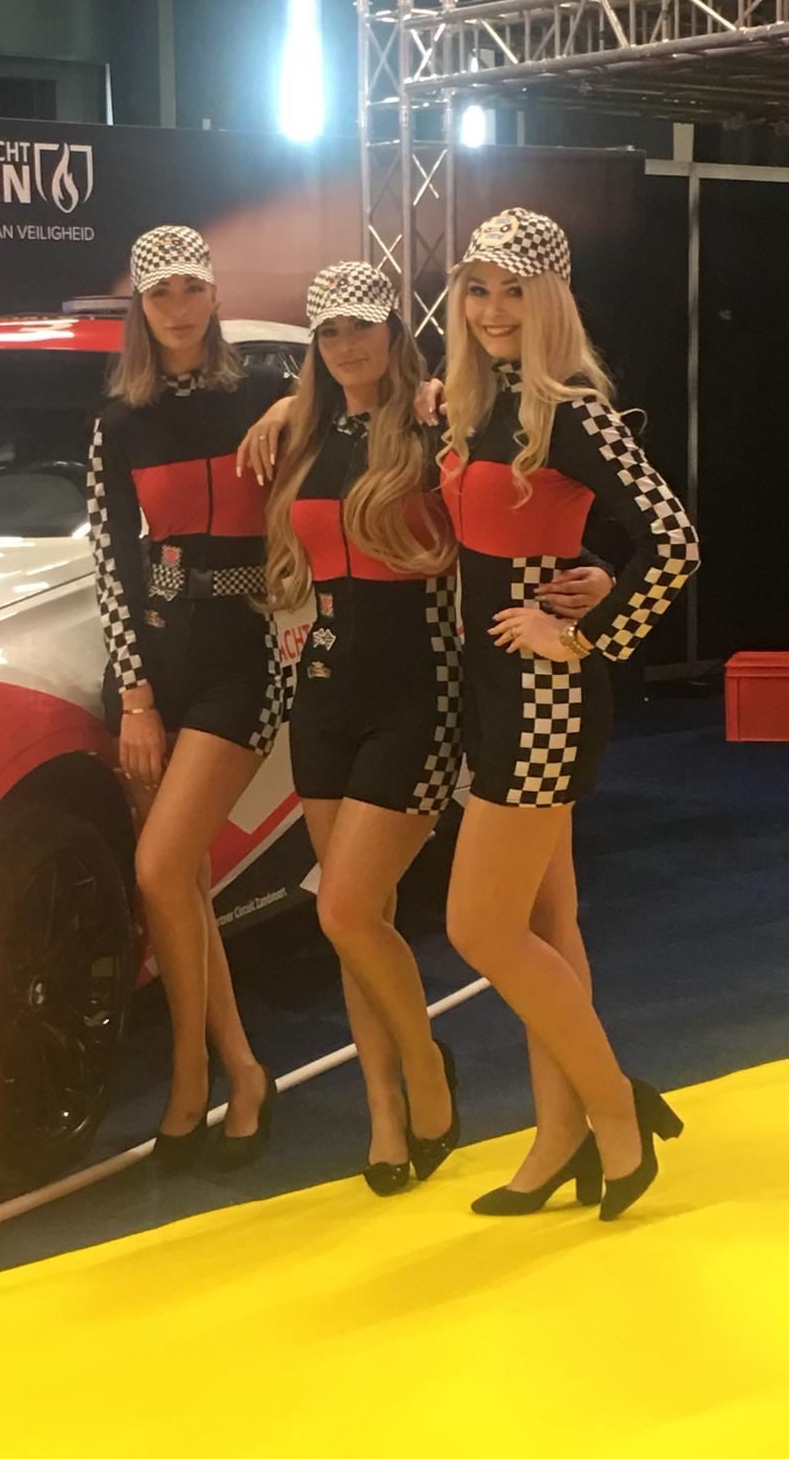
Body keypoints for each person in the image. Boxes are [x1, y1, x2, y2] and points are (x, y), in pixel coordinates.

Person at [249, 262, 612, 1194]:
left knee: (349, 906)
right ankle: (386, 1111)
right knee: (353, 922)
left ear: (395, 329)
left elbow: (531, 505)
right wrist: (283, 411)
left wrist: (595, 579)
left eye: (363, 325)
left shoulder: (438, 419)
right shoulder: (299, 434)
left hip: (426, 686)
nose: (348, 344)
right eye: (329, 331)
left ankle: (436, 1073)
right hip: (324, 692)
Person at [441, 207, 700, 1221]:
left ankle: (616, 1109)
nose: (493, 309)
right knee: (547, 923)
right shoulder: (478, 406)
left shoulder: (571, 410)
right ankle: (562, 1136)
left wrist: (585, 637)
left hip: (540, 698)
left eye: (514, 290)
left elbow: (674, 541)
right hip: (491, 690)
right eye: (478, 289)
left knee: (479, 927)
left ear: (550, 300)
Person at [87, 225, 289, 1169]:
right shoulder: (118, 418)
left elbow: (364, 402)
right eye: (159, 292)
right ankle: (238, 1071)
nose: (176, 306)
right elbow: (111, 563)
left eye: (190, 288)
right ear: (140, 304)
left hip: (245, 657)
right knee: (184, 885)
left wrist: (416, 393)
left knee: (163, 868)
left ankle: (193, 1073)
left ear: (214, 295)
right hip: (154, 669)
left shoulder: (264, 393)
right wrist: (134, 696)